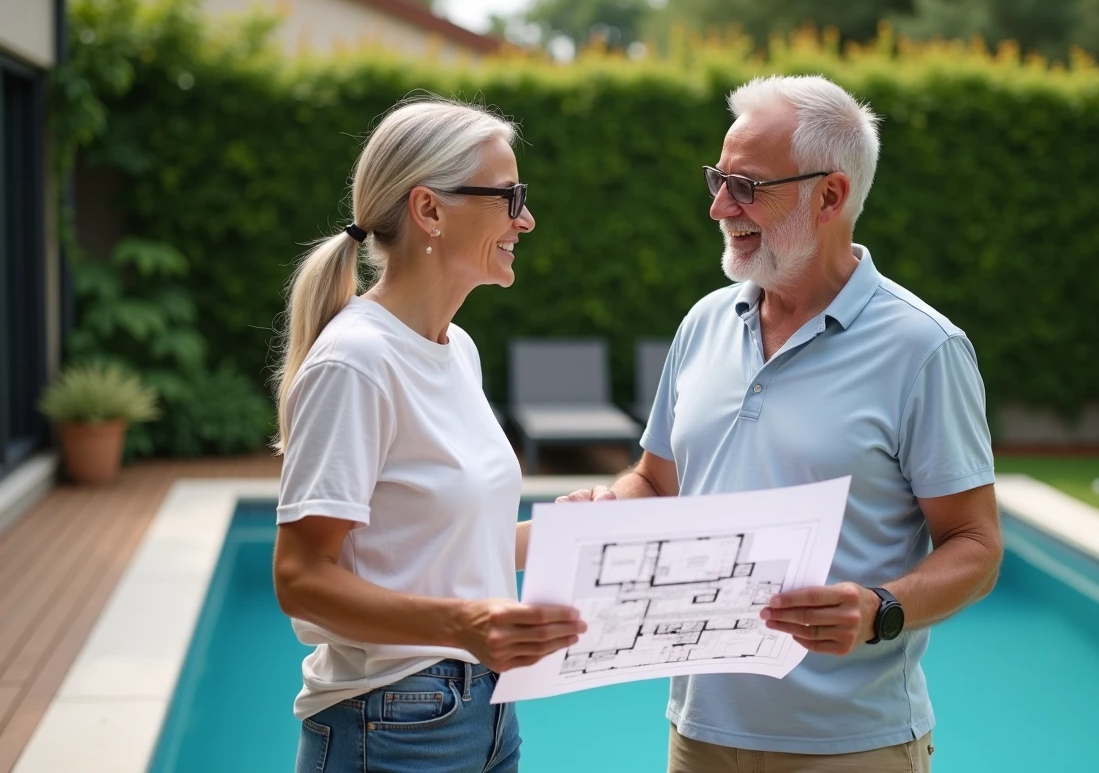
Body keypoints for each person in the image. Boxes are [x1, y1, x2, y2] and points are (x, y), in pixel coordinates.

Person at [560, 75, 1003, 772]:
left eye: (745, 186)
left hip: (853, 747)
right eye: (717, 179)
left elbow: (976, 545)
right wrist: (604, 508)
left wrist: (881, 608)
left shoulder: (923, 348)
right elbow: (656, 481)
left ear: (830, 195)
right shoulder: (703, 323)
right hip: (698, 735)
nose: (717, 207)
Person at [272, 99, 586, 773]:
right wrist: (460, 625)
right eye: (509, 197)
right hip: (390, 723)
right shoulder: (356, 362)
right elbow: (300, 579)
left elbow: (422, 541)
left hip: (487, 711)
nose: (525, 219)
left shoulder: (455, 348)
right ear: (430, 211)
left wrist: (561, 533)